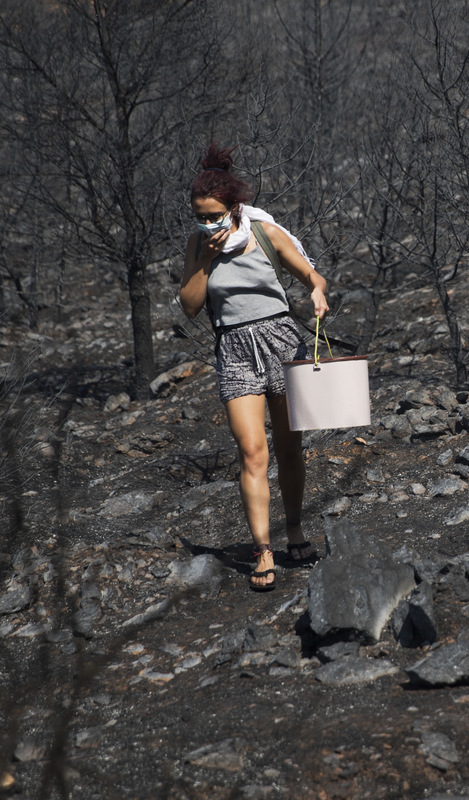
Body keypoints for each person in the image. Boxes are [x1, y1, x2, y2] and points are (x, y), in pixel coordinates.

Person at [179, 143, 330, 592]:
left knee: (289, 448)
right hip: (235, 349)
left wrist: (318, 294)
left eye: (214, 216)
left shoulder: (264, 232)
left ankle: (296, 529)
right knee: (251, 453)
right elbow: (189, 306)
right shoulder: (196, 246)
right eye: (200, 216)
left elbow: (312, 276)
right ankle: (263, 549)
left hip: (282, 340)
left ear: (234, 208)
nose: (207, 224)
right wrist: (205, 259)